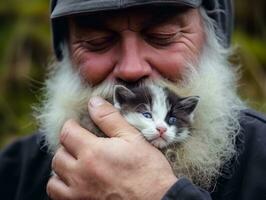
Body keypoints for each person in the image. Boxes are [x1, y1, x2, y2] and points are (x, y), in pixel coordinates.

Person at [0, 0, 266, 199]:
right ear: (66, 51)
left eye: (163, 37)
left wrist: (162, 194)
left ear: (212, 38)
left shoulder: (260, 160)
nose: (131, 69)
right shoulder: (15, 173)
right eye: (97, 41)